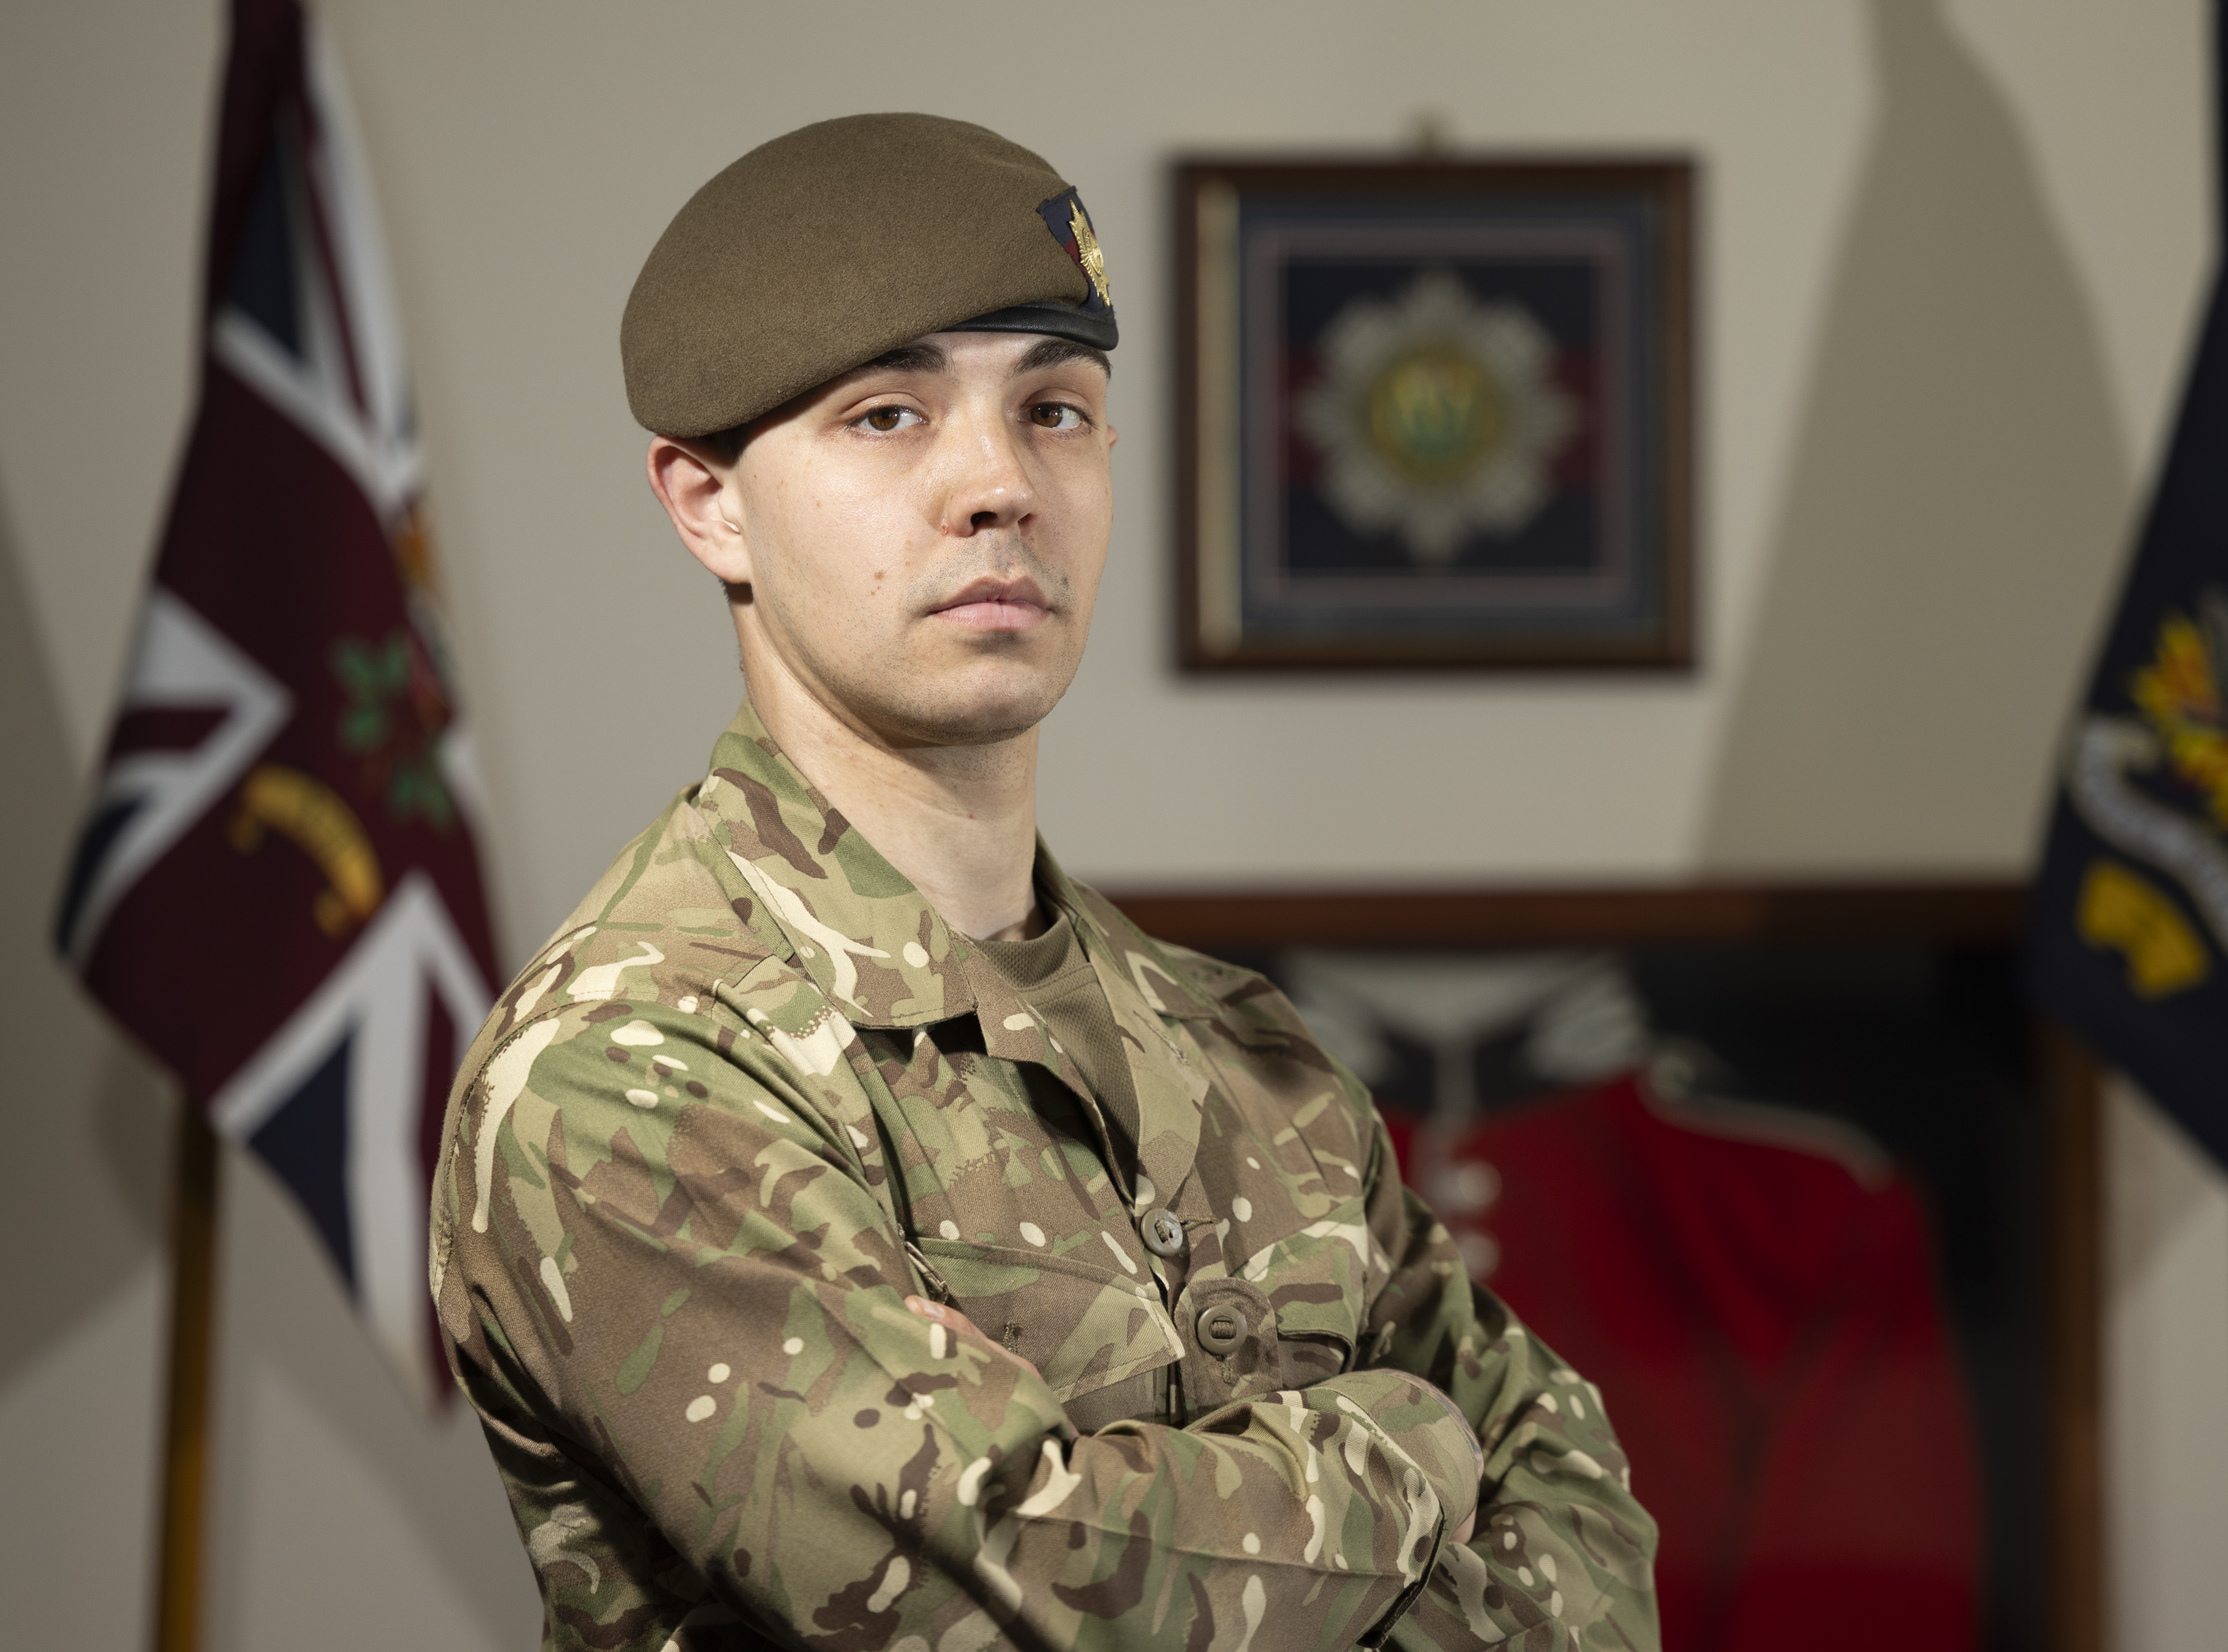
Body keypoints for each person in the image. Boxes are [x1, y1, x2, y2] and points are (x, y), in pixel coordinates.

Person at [429, 112, 1662, 1652]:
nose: (998, 484)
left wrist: (1162, 1506)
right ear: (708, 503)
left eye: (1057, 408)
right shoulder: (637, 1072)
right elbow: (1044, 1602)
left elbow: (1587, 1514)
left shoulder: (1243, 1049)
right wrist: (1409, 1442)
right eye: (888, 416)